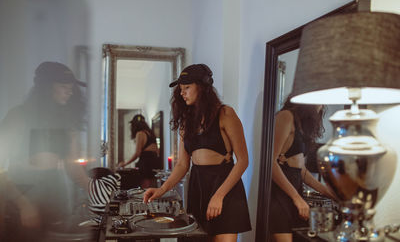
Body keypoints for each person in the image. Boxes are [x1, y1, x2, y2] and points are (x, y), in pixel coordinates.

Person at [143, 64, 251, 242]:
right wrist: (162, 190)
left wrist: (219, 196)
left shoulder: (226, 114)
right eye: (180, 89)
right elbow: (183, 164)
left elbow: (243, 161)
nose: (182, 93)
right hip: (198, 186)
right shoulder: (186, 122)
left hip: (225, 187)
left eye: (187, 88)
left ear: (203, 87)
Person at [0, 61, 90, 242]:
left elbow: (74, 170)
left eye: (71, 87)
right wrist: (23, 204)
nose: (69, 91)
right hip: (22, 205)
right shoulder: (18, 117)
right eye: (63, 86)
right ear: (46, 88)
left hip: (56, 206)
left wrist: (98, 190)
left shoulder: (66, 123)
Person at [269, 93, 336, 242]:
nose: (321, 107)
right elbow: (271, 163)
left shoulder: (302, 125)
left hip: (295, 186)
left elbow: (301, 170)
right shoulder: (286, 116)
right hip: (280, 191)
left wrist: (326, 190)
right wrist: (296, 198)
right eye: (320, 102)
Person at [117, 114, 159, 188]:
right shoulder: (151, 134)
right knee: (152, 187)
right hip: (154, 162)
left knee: (144, 188)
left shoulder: (140, 133)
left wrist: (125, 163)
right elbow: (157, 151)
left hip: (145, 163)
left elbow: (137, 153)